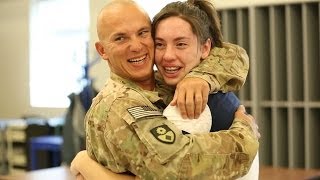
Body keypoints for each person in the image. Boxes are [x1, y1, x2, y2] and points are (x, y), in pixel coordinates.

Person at [71, 0, 259, 179]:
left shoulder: (163, 82)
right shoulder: (120, 105)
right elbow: (176, 165)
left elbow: (232, 53)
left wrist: (201, 78)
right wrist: (245, 133)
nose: (136, 46)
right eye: (120, 38)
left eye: (143, 33)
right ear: (102, 50)